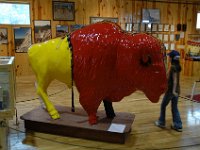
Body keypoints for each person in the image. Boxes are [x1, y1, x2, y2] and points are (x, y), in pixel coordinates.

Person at [155, 50, 182, 132]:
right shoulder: (177, 66)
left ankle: (161, 122)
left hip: (171, 91)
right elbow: (168, 77)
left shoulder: (173, 67)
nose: (168, 57)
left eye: (169, 56)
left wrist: (173, 91)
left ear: (172, 58)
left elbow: (174, 81)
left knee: (163, 105)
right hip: (177, 90)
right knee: (174, 107)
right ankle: (178, 125)